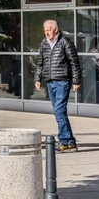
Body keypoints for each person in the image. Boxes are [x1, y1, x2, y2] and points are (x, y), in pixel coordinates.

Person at [33, 20, 81, 152]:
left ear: (55, 29)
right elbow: (40, 63)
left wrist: (76, 81)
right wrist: (38, 78)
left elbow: (74, 63)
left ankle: (64, 141)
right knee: (59, 113)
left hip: (62, 81)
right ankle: (70, 142)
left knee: (59, 111)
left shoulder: (65, 42)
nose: (46, 33)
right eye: (45, 30)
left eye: (48, 30)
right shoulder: (44, 43)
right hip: (50, 82)